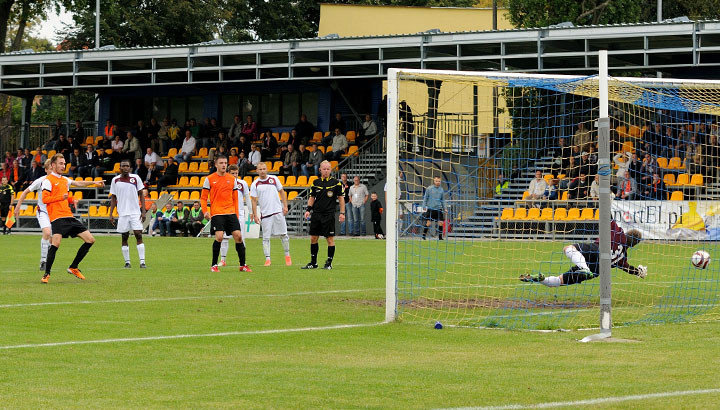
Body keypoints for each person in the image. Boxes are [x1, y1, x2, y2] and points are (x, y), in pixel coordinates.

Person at [41, 154, 105, 283]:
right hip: (57, 217)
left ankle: (73, 267)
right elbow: (45, 199)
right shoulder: (48, 180)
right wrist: (62, 198)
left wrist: (93, 183)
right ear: (53, 165)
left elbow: (78, 183)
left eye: (64, 163)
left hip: (69, 216)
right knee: (56, 243)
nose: (63, 166)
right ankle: (46, 274)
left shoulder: (65, 180)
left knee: (90, 240)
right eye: (60, 163)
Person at [520, 220, 647, 286]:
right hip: (596, 270)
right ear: (633, 245)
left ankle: (584, 268)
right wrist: (639, 272)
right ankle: (540, 279)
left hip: (596, 251)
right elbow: (628, 269)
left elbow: (607, 214)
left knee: (568, 248)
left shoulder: (618, 231)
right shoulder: (622, 257)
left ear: (628, 233)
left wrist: (604, 195)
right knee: (560, 281)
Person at [201, 155, 251, 272]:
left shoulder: (232, 179)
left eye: (225, 163)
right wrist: (205, 211)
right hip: (217, 212)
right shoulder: (209, 179)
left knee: (238, 236)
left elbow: (235, 199)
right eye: (221, 163)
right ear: (216, 165)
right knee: (219, 237)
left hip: (230, 212)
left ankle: (242, 265)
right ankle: (214, 265)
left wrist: (236, 215)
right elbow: (203, 198)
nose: (224, 165)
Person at [302, 160, 345, 270]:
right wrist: (308, 210)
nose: (326, 171)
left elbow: (341, 199)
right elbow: (312, 197)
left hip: (328, 215)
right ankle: (313, 263)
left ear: (331, 170)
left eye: (328, 169)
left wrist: (342, 213)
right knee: (313, 238)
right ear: (320, 169)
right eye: (324, 169)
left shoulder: (336, 183)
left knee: (329, 239)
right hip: (316, 214)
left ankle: (329, 263)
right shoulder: (315, 182)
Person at [14, 160, 54, 269]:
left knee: (53, 239)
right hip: (43, 211)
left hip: (55, 212)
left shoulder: (59, 181)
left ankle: (48, 255)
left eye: (53, 168)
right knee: (47, 232)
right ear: (46, 170)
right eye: (50, 169)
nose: (52, 171)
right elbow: (25, 192)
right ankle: (43, 261)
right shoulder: (40, 181)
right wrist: (17, 206)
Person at [108, 159, 147, 269]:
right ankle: (127, 262)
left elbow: (142, 195)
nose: (125, 168)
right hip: (123, 213)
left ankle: (142, 262)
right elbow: (113, 197)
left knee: (138, 234)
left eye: (127, 166)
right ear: (120, 167)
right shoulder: (115, 180)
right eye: (123, 166)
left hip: (135, 212)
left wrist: (143, 211)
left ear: (130, 168)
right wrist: (111, 213)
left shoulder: (136, 178)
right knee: (124, 237)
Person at [251, 161, 291, 267]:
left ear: (267, 169)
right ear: (257, 171)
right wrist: (255, 214)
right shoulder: (255, 184)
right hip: (265, 214)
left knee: (284, 234)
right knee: (265, 238)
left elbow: (282, 192)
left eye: (264, 169)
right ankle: (268, 259)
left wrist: (285, 206)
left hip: (278, 211)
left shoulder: (274, 179)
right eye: (260, 169)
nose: (262, 171)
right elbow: (254, 201)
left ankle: (287, 256)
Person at [219, 164, 252, 266]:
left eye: (236, 173)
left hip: (239, 214)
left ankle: (242, 261)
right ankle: (223, 260)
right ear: (229, 173)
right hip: (226, 212)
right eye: (233, 173)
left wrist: (251, 212)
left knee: (240, 237)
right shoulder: (224, 183)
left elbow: (247, 197)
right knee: (224, 237)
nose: (235, 175)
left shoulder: (242, 184)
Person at [422, 176, 446, 240]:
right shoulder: (429, 189)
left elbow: (443, 200)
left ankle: (440, 237)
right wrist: (424, 206)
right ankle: (424, 236)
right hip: (430, 208)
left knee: (441, 222)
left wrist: (445, 208)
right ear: (434, 181)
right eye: (436, 181)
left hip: (438, 208)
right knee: (428, 223)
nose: (438, 182)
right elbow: (425, 198)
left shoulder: (441, 190)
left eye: (439, 181)